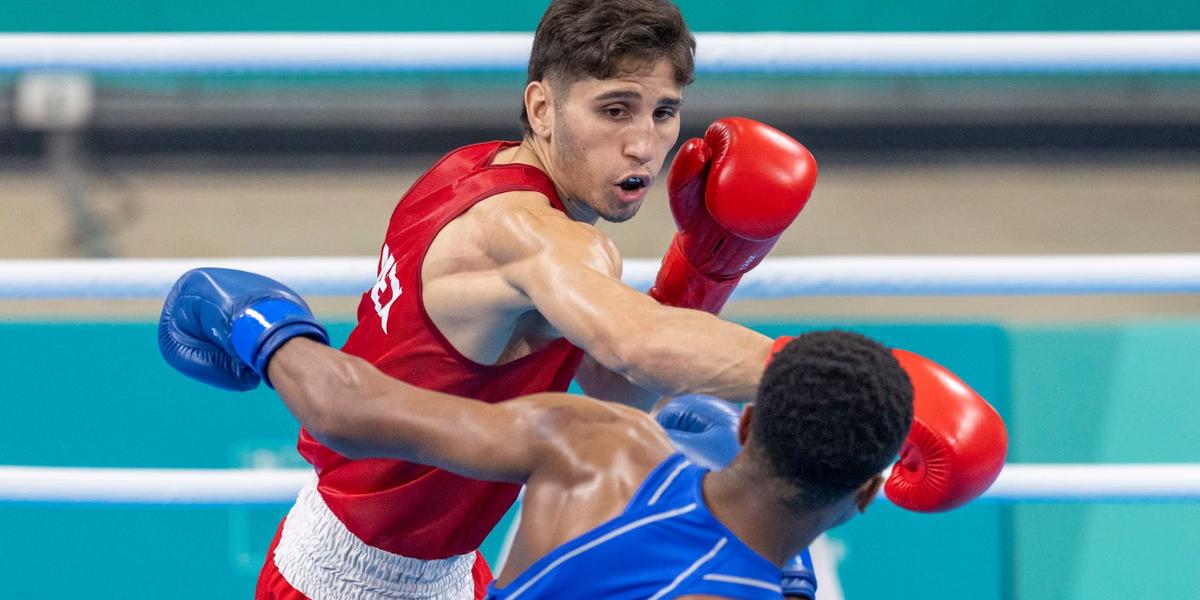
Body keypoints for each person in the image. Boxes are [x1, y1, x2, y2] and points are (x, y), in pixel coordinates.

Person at [215, 0, 828, 597]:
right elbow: (635, 344)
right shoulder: (528, 235)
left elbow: (618, 386)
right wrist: (842, 387)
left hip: (440, 564)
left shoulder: (475, 170)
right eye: (615, 110)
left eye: (663, 112)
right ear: (542, 107)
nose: (644, 143)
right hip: (355, 583)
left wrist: (702, 268)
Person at [158, 268, 1008, 599]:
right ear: (868, 493)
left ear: (751, 420)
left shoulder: (591, 442)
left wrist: (263, 331)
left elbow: (348, 410)